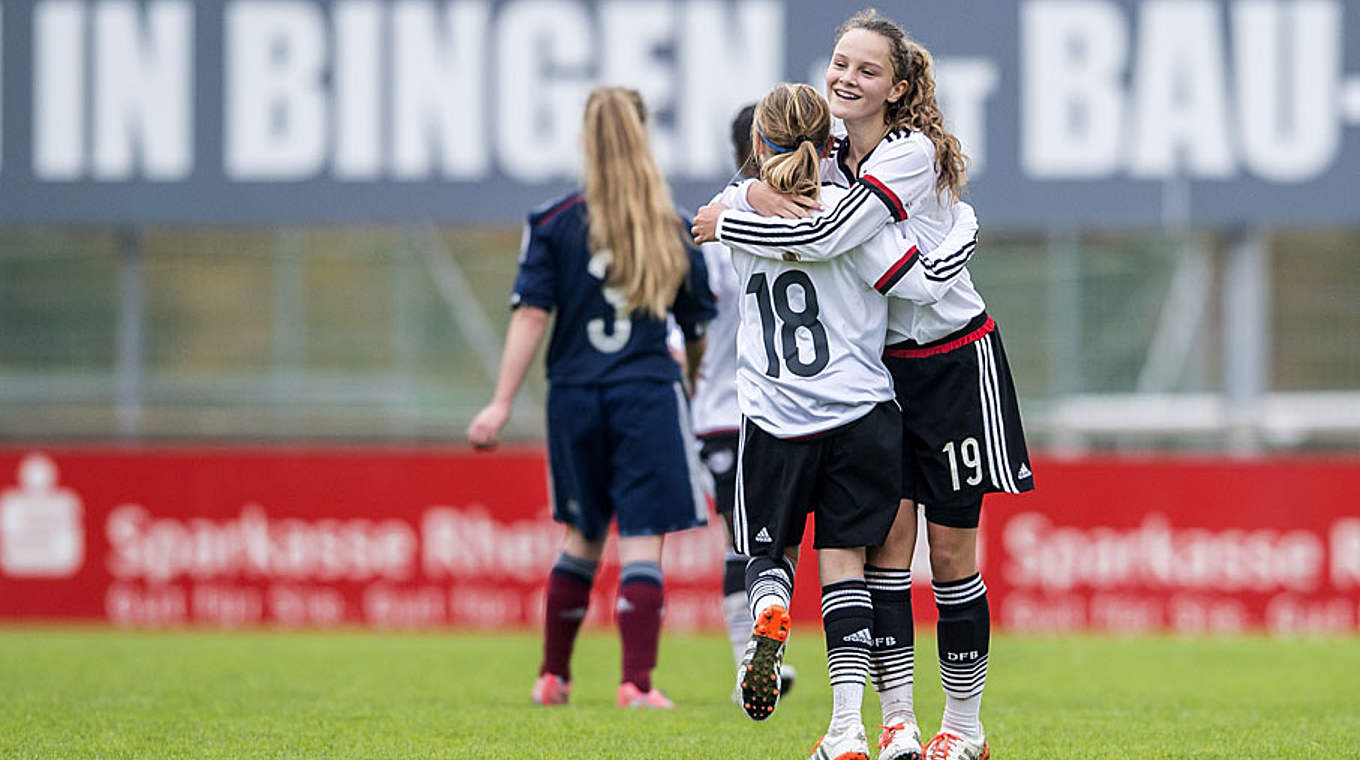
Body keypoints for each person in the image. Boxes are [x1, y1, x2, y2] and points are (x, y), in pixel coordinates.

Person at [693, 9, 1034, 760]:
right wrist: (744, 201)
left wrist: (733, 217)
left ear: (898, 86)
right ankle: (899, 725)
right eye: (841, 63)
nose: (847, 77)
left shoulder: (908, 152)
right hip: (879, 374)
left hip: (949, 359)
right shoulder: (830, 149)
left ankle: (966, 728)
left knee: (949, 557)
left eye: (867, 69)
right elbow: (779, 198)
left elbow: (828, 236)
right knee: (886, 552)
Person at [467, 86, 717, 710]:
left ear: (586, 138)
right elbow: (697, 324)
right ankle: (635, 684)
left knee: (581, 535)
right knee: (641, 539)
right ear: (642, 136)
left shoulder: (552, 223)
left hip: (575, 397)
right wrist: (689, 381)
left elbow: (531, 316)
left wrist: (500, 402)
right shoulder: (670, 226)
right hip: (646, 395)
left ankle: (554, 676)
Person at [690, 103, 798, 702]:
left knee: (752, 538)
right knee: (757, 537)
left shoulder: (711, 225)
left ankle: (756, 660)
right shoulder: (809, 214)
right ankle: (752, 665)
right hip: (768, 409)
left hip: (733, 412)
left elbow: (688, 330)